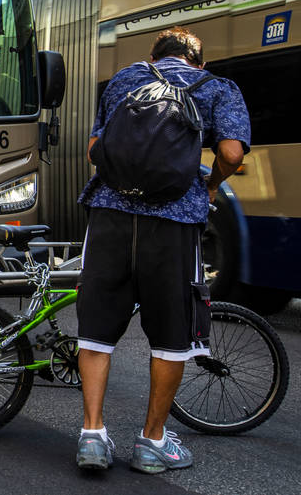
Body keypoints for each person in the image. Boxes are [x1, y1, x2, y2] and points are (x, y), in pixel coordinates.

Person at [74, 27, 249, 474]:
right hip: (174, 224)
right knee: (172, 339)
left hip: (110, 217)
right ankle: (152, 442)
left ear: (152, 55)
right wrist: (211, 185)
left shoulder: (125, 80)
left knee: (96, 332)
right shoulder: (217, 88)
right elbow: (231, 151)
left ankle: (92, 437)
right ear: (200, 63)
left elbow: (95, 151)